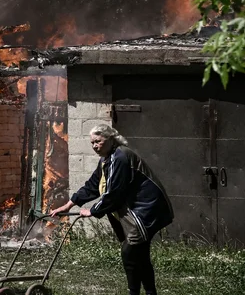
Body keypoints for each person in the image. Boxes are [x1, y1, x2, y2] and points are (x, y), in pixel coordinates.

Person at [49, 124, 174, 295]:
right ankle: (149, 293)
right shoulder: (107, 159)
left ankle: (135, 292)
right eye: (92, 143)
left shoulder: (120, 157)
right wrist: (69, 204)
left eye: (98, 142)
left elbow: (114, 193)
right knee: (140, 255)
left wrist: (92, 211)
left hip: (146, 209)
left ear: (110, 139)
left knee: (130, 252)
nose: (95, 146)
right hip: (137, 210)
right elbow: (93, 185)